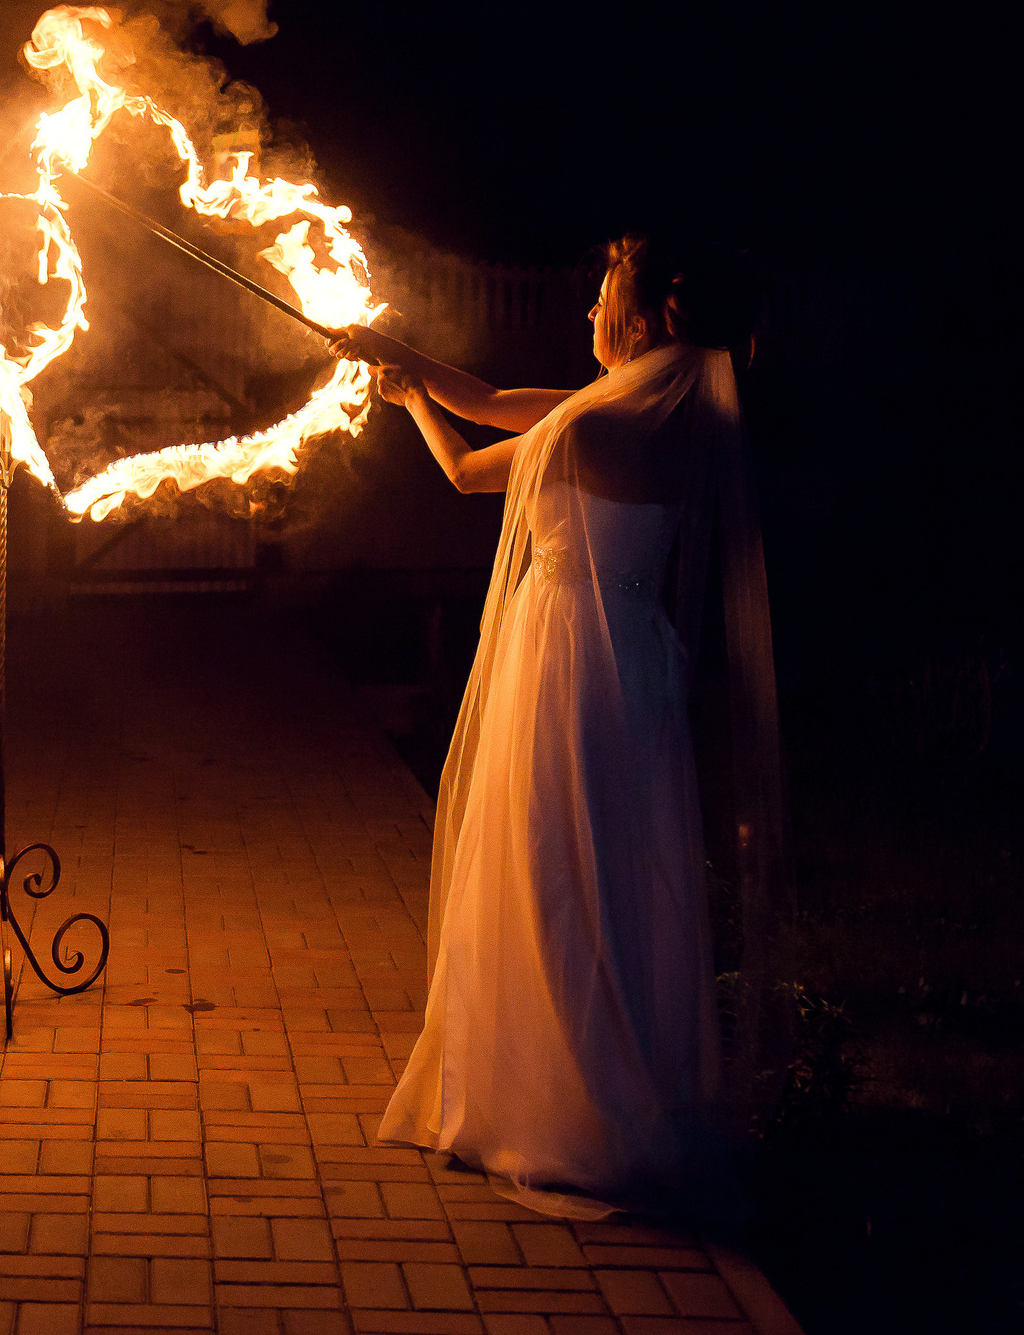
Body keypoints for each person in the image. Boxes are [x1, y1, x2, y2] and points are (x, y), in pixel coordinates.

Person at [330, 235, 786, 1219]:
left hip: (570, 659)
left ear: (644, 320)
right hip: (628, 655)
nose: (584, 314)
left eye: (598, 299)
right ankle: (599, 1078)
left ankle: (566, 1106)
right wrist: (402, 359)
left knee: (552, 865)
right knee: (605, 864)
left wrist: (406, 402)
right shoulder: (652, 415)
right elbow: (494, 401)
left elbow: (468, 466)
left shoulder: (590, 432)